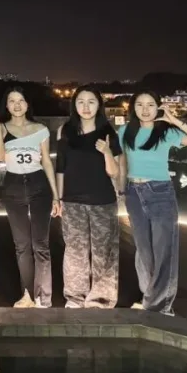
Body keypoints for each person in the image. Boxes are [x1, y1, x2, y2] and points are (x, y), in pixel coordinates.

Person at [118, 91, 187, 315]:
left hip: (160, 191)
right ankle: (150, 297)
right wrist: (121, 190)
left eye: (150, 104)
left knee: (163, 249)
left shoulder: (166, 131)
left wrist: (175, 120)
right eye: (140, 104)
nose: (145, 109)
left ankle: (161, 306)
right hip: (133, 193)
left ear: (158, 107)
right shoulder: (125, 131)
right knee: (143, 250)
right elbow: (122, 163)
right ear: (133, 108)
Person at [0, 87, 59, 308]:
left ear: (28, 104)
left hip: (38, 184)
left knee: (41, 244)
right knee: (22, 245)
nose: (17, 105)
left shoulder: (40, 129)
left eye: (21, 100)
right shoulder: (2, 128)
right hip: (13, 186)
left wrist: (56, 196)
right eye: (12, 101)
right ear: (7, 105)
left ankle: (43, 297)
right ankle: (27, 294)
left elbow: (46, 161)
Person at [55, 86, 122, 308]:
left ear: (99, 105)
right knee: (75, 251)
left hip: (102, 200)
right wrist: (58, 199)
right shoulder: (65, 131)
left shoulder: (108, 132)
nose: (86, 107)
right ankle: (75, 297)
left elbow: (114, 172)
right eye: (81, 102)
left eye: (91, 101)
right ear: (74, 105)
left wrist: (107, 152)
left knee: (104, 251)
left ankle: (101, 299)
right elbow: (61, 168)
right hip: (72, 200)